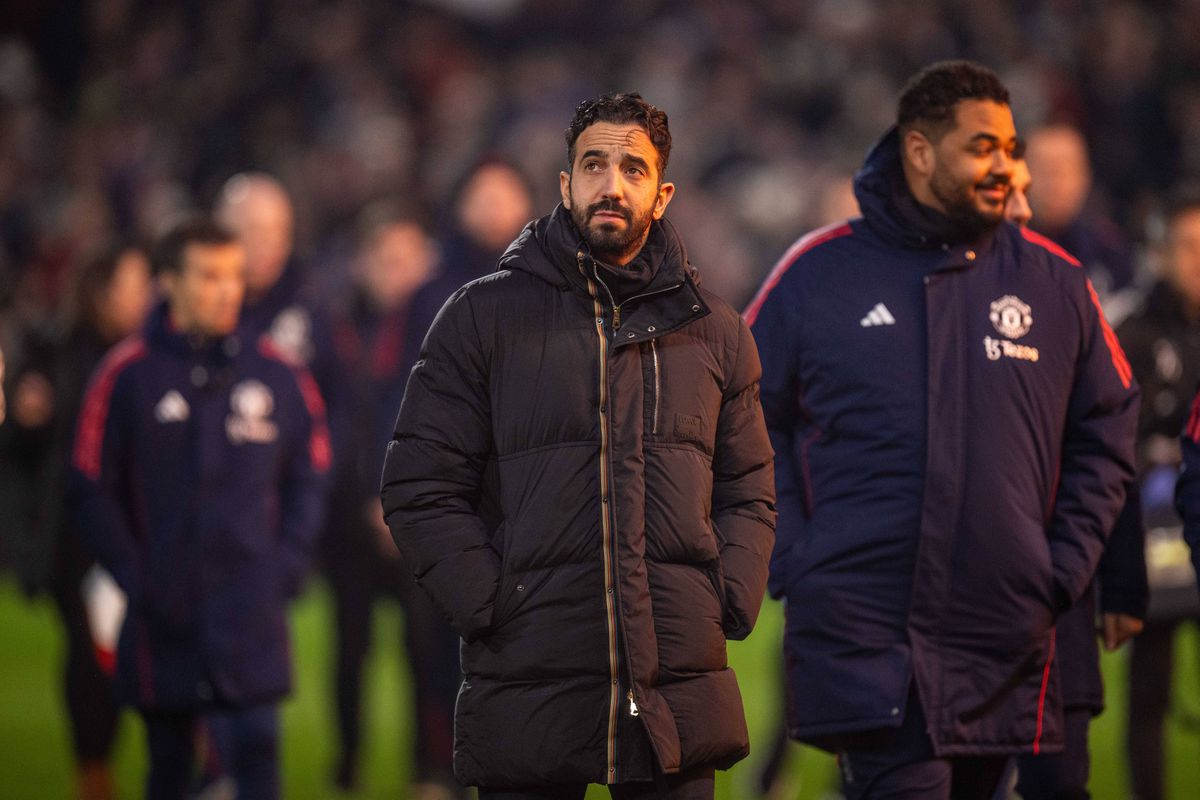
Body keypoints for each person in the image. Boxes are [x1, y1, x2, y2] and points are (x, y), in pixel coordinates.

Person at [745, 61, 1138, 799]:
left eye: (1011, 147)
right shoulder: (817, 273)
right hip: (868, 635)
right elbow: (735, 414)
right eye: (982, 147)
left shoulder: (1055, 283)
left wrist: (1061, 565)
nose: (1006, 165)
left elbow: (1110, 420)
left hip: (1008, 634)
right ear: (920, 153)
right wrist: (796, 555)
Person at [380, 92, 776, 799]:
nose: (611, 183)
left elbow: (749, 487)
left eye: (633, 168)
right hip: (527, 679)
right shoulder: (481, 317)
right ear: (565, 185)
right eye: (593, 165)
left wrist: (724, 598)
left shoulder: (717, 332)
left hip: (674, 685)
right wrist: (491, 603)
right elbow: (419, 483)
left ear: (662, 195)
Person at [69, 216, 330, 800]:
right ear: (168, 282)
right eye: (209, 275)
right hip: (165, 614)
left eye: (234, 276)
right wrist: (139, 577)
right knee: (167, 768)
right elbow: (88, 486)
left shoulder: (279, 373)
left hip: (251, 612)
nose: (226, 290)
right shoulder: (125, 374)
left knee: (260, 758)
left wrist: (282, 567)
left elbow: (311, 476)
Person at [1000, 163, 1148, 800]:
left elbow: (1110, 439)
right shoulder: (911, 293)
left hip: (1051, 611)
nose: (1025, 207)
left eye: (1024, 188)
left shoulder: (1064, 291)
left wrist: (1116, 579)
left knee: (1057, 781)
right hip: (938, 614)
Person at [5, 244, 154, 800]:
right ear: (100, 291)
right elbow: (22, 444)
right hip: (79, 538)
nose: (147, 297)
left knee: (143, 656)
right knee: (93, 660)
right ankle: (94, 773)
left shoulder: (151, 353)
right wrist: (27, 415)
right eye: (136, 285)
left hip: (142, 531)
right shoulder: (59, 352)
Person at [321, 209, 461, 797]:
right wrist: (364, 500)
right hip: (350, 521)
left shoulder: (447, 329)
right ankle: (347, 763)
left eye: (409, 259)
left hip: (421, 521)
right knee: (349, 650)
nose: (397, 272)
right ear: (363, 264)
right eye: (386, 258)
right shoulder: (335, 330)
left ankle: (425, 768)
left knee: (425, 653)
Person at [1125, 194, 1200, 800]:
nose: (1199, 261)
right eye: (1189, 247)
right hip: (1154, 533)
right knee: (1149, 684)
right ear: (1161, 253)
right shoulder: (1134, 331)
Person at [1023, 125, 1140, 322]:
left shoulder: (1111, 252)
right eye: (1042, 168)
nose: (1054, 181)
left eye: (1065, 168)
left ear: (1085, 177)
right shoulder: (996, 251)